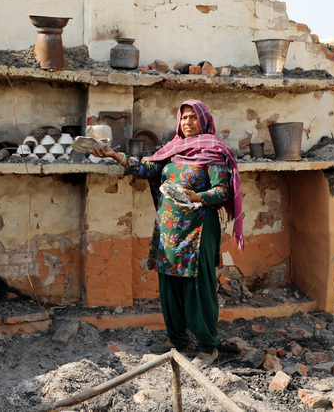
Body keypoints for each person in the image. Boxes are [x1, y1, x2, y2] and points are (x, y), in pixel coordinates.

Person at [92, 99, 244, 366]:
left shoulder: (214, 152)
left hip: (198, 230)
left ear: (204, 120)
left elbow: (222, 191)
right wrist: (114, 155)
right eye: (184, 117)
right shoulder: (172, 151)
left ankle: (208, 347)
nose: (188, 122)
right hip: (168, 231)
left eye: (193, 118)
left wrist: (197, 195)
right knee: (169, 286)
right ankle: (177, 339)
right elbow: (147, 169)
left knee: (197, 287)